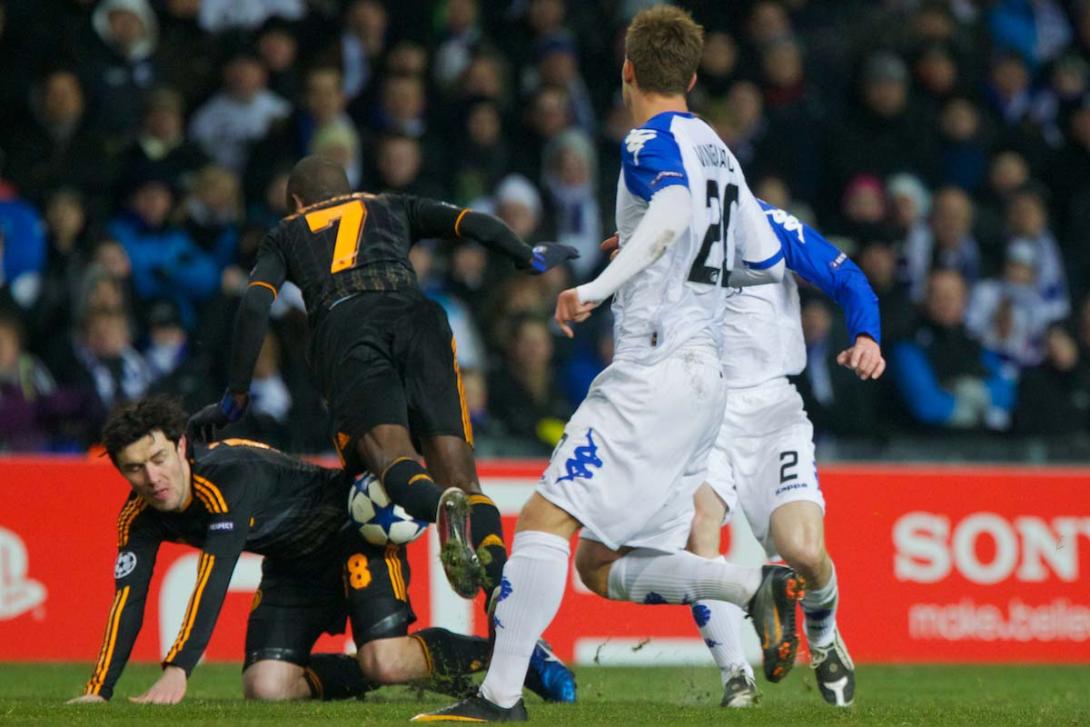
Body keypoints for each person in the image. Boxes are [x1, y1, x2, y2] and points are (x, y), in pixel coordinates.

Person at [415, 7, 797, 722]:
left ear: (627, 70)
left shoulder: (649, 138)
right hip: (704, 381)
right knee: (599, 564)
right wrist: (668, 256)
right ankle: (752, 586)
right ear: (691, 77)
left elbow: (673, 210)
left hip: (655, 369)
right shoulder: (720, 150)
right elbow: (767, 261)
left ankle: (499, 699)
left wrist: (597, 285)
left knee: (543, 518)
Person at [186, 155, 577, 604]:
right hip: (418, 316)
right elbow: (471, 222)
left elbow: (255, 306)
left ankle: (437, 506)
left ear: (296, 201)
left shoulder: (286, 232)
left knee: (389, 455)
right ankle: (500, 599)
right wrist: (528, 257)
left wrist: (236, 394)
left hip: (347, 325)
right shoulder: (392, 204)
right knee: (462, 475)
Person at [67, 396, 574, 705]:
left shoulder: (225, 480)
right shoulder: (138, 516)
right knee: (266, 687)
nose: (152, 477)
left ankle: (517, 653)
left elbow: (213, 575)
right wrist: (99, 690)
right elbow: (127, 598)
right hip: (293, 565)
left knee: (386, 660)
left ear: (181, 445)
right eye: (134, 469)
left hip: (350, 533)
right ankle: (389, 675)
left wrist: (178, 669)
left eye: (158, 458)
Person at [683, 202, 883, 709]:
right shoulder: (671, 220)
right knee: (698, 527)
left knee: (804, 552)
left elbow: (847, 277)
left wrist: (865, 336)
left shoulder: (766, 224)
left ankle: (823, 638)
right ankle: (735, 675)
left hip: (771, 408)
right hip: (701, 404)